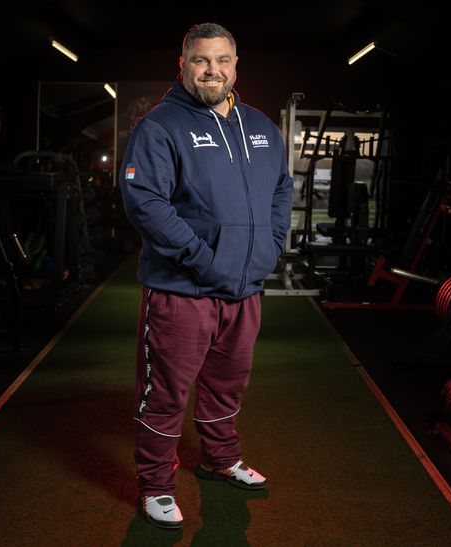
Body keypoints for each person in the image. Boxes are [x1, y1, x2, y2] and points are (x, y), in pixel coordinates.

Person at [119, 22, 293, 530]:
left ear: (236, 66)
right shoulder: (161, 126)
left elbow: (281, 190)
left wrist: (271, 245)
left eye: (221, 60)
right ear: (183, 65)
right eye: (200, 60)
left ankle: (220, 459)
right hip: (181, 290)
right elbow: (144, 202)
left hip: (246, 289)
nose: (212, 70)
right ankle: (155, 486)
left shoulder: (261, 126)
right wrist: (202, 257)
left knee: (227, 385)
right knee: (166, 392)